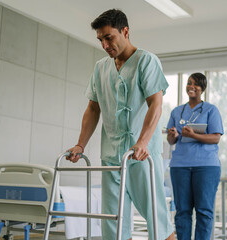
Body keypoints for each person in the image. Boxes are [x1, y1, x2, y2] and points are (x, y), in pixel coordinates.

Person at [66, 9, 175, 240]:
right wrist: (80, 145)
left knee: (157, 221)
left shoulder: (146, 61)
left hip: (141, 155)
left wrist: (143, 142)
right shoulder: (100, 68)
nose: (105, 45)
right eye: (100, 40)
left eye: (109, 37)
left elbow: (156, 104)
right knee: (112, 222)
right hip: (112, 156)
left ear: (125, 31)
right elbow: (93, 108)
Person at [166, 72, 223, 240]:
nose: (192, 86)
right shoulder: (177, 111)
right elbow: (171, 140)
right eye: (189, 83)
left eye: (196, 84)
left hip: (206, 166)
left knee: (204, 211)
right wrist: (173, 134)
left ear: (202, 88)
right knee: (182, 211)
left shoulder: (211, 110)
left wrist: (194, 135)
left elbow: (216, 138)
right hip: (180, 166)